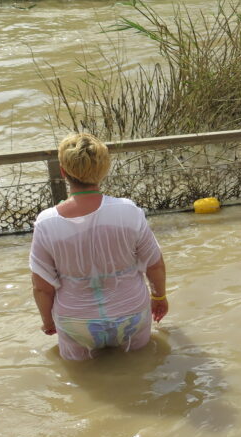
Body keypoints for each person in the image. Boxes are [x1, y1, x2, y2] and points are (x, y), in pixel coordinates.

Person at [29, 133, 168, 361]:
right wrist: (160, 298)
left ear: (63, 171)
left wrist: (48, 322)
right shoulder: (128, 211)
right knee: (143, 366)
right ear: (104, 169)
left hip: (76, 320)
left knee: (80, 381)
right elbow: (155, 265)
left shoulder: (46, 222)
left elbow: (42, 287)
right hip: (131, 312)